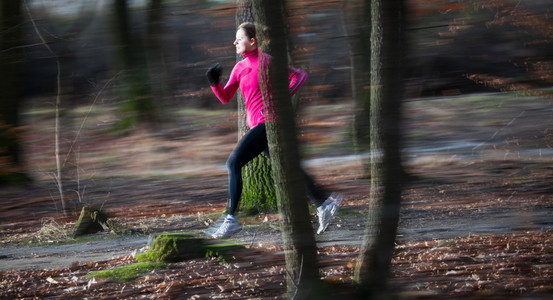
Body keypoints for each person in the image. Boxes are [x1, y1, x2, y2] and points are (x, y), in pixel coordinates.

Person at [205, 22, 343, 238]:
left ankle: (231, 219)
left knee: (233, 163)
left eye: (239, 38)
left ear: (253, 41)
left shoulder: (267, 62)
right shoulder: (239, 68)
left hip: (268, 123)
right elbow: (225, 97)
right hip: (259, 125)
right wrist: (214, 83)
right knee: (287, 168)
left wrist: (279, 100)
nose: (235, 42)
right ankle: (325, 203)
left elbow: (300, 76)